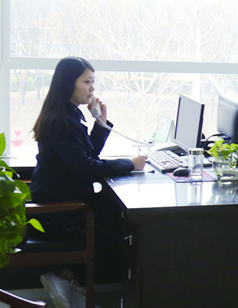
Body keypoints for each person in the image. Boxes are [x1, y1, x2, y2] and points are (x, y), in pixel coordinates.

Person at [30, 56, 145, 308]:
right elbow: (86, 168)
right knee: (122, 225)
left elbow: (86, 157)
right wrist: (130, 163)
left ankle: (69, 279)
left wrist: (100, 124)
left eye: (93, 82)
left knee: (118, 214)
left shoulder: (69, 114)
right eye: (87, 81)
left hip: (63, 201)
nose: (92, 88)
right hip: (57, 213)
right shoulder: (62, 121)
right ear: (68, 83)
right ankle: (67, 278)